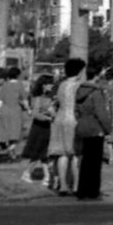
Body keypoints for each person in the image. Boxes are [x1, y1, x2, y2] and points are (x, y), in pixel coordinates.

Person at [72, 65, 113, 200]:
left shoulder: (80, 90)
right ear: (96, 76)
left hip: (82, 126)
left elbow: (76, 110)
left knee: (85, 161)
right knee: (95, 163)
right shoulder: (96, 92)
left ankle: (82, 190)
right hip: (95, 128)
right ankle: (93, 191)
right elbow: (101, 113)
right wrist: (108, 128)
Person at [48, 57, 86, 195]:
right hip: (74, 120)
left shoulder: (61, 85)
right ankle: (75, 186)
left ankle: (63, 185)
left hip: (60, 119)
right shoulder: (79, 86)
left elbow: (55, 103)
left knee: (62, 153)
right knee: (76, 153)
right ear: (79, 71)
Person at [22, 74, 54, 170]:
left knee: (43, 154)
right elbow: (35, 114)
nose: (52, 86)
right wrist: (48, 118)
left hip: (45, 127)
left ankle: (46, 175)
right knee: (37, 153)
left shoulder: (48, 97)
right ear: (44, 85)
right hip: (39, 128)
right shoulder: (38, 98)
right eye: (50, 84)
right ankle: (28, 173)